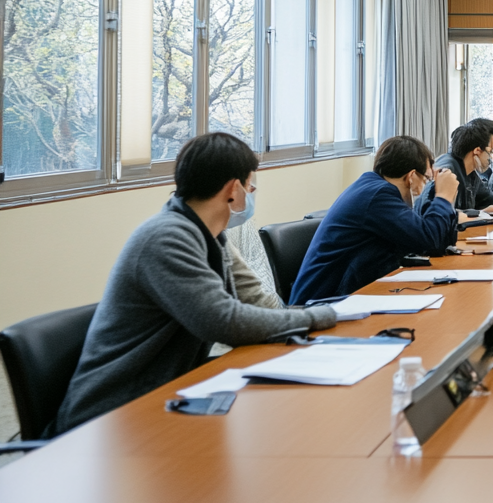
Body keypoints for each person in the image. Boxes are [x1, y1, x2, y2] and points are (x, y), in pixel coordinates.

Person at [54, 133, 339, 434]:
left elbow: (254, 299)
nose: (252, 194)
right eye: (251, 186)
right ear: (235, 190)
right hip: (115, 417)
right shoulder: (167, 238)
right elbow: (224, 322)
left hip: (169, 392)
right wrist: (317, 317)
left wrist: (304, 325)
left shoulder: (208, 234)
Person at [291, 136, 459, 304]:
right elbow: (429, 239)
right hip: (323, 305)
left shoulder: (375, 187)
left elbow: (438, 244)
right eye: (427, 179)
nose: (426, 185)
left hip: (347, 294)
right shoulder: (378, 196)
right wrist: (443, 197)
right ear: (412, 176)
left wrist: (447, 201)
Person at [419, 119, 493, 212]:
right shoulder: (446, 171)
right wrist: (476, 214)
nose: (491, 157)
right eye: (490, 151)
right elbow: (431, 212)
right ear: (477, 151)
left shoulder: (471, 174)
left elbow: (488, 199)